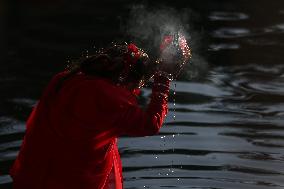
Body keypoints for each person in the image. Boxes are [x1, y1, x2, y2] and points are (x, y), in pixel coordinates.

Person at [9, 43, 179, 189]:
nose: (133, 92)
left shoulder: (64, 80)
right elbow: (150, 124)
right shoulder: (110, 99)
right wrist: (163, 78)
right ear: (125, 79)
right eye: (135, 86)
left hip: (31, 174)